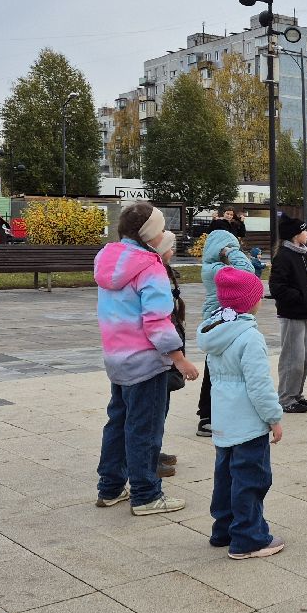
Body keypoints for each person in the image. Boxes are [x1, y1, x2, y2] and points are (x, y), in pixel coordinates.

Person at [94, 203, 198, 515]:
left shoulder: (107, 259)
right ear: (151, 233)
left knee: (118, 423)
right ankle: (146, 494)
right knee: (145, 430)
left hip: (116, 358)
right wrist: (179, 358)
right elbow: (157, 320)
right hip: (146, 362)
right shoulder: (150, 267)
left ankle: (110, 488)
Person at [198, 266, 286, 559]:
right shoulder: (249, 337)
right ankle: (248, 537)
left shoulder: (215, 331)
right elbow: (259, 386)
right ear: (251, 302)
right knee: (251, 478)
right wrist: (274, 418)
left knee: (225, 477)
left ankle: (223, 529)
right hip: (248, 423)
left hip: (224, 421)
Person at [196, 220, 255, 437]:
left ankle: (215, 413)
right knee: (215, 369)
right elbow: (247, 271)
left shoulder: (215, 267)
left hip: (223, 319)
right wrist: (231, 250)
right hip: (220, 321)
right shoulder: (215, 269)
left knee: (221, 367)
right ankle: (206, 416)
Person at [269, 215, 307, 414]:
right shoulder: (284, 256)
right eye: (305, 231)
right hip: (291, 314)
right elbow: (277, 287)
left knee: (304, 357)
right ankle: (286, 398)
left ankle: (297, 394)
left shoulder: (302, 254)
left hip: (304, 312)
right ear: (295, 235)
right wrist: (298, 297)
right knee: (292, 358)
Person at [155, 230, 183, 479]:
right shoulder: (154, 274)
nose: (172, 252)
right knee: (152, 410)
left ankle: (154, 449)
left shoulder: (163, 272)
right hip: (157, 355)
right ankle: (147, 457)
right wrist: (178, 357)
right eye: (169, 248)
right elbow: (158, 320)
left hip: (163, 354)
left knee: (161, 406)